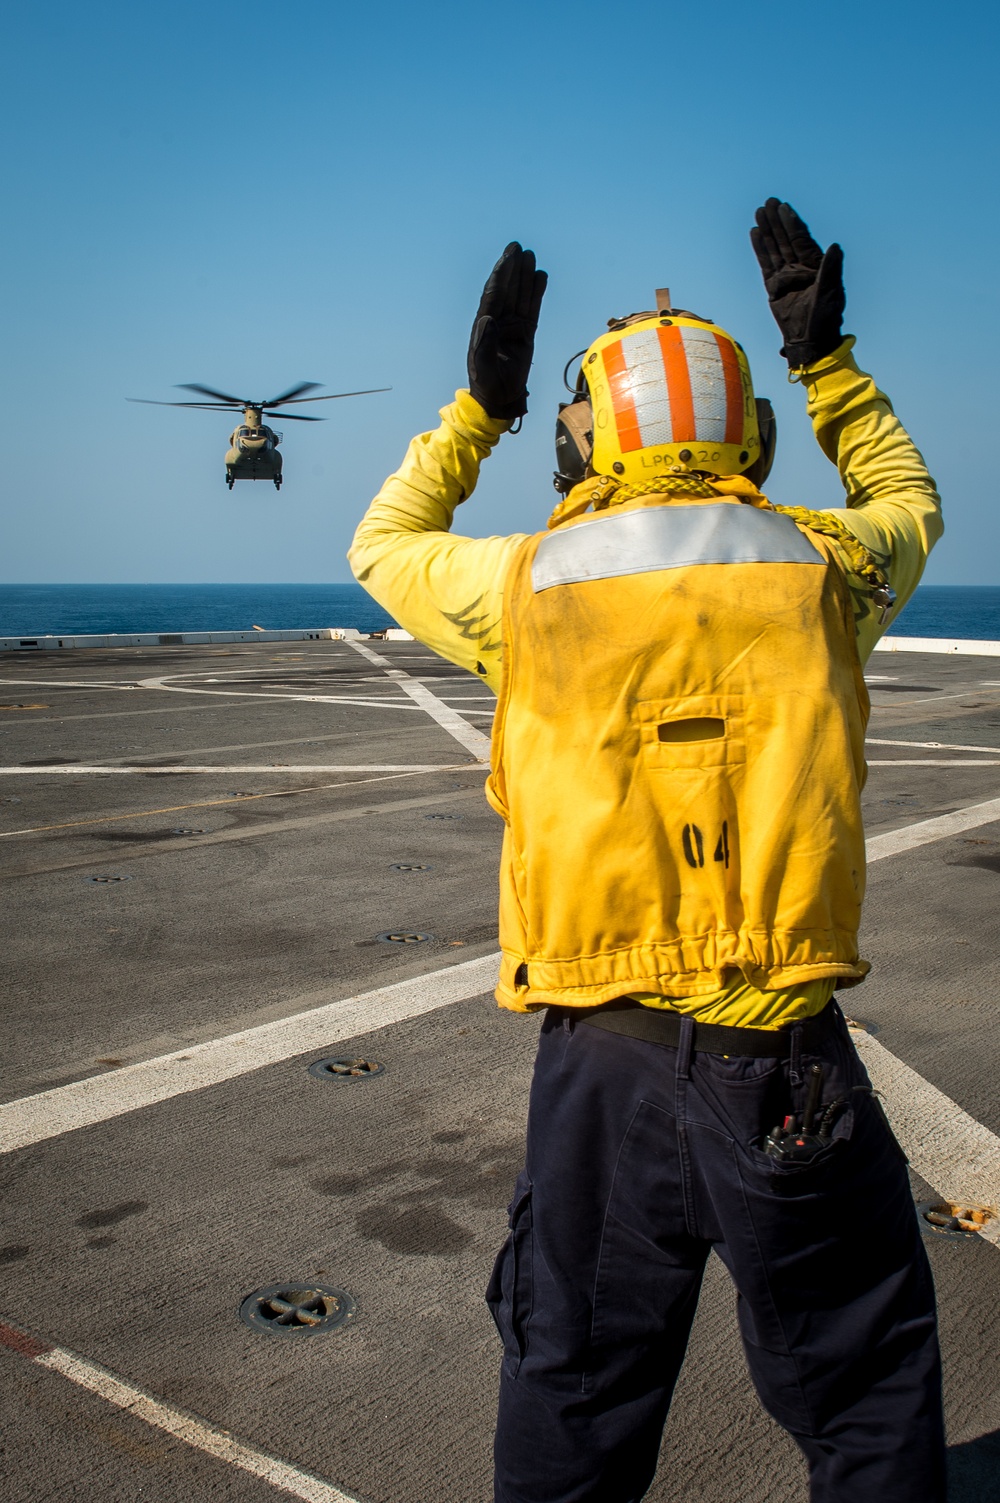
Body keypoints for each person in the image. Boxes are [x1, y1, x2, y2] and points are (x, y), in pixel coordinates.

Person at [349, 200, 945, 1503]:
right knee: (865, 1383)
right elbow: (909, 498)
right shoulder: (823, 564)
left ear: (587, 430)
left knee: (573, 1384)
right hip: (783, 1055)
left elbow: (380, 545)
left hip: (602, 1070)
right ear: (749, 427)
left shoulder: (530, 584)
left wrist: (474, 414)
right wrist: (829, 363)